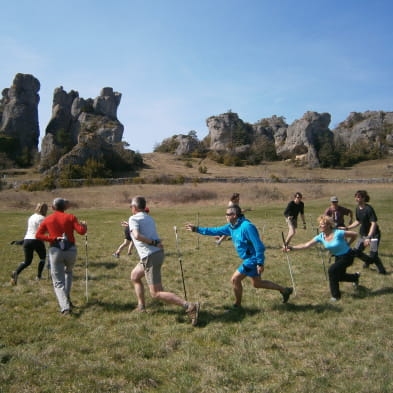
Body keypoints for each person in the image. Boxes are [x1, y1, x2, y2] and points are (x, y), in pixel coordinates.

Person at [186, 204, 293, 309]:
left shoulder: (247, 227)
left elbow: (259, 246)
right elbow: (214, 230)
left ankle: (237, 305)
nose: (226, 216)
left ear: (235, 215)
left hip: (252, 259)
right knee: (257, 283)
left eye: (227, 214)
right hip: (248, 258)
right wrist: (196, 229)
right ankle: (284, 290)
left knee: (235, 279)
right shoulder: (231, 227)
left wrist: (260, 262)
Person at [128, 196, 199, 326]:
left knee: (156, 293)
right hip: (155, 254)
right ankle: (141, 307)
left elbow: (137, 236)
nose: (130, 209)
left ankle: (189, 306)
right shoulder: (149, 218)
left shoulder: (133, 218)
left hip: (150, 255)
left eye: (130, 206)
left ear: (134, 207)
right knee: (134, 276)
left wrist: (154, 242)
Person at [284, 215, 359, 301]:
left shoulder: (338, 233)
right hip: (338, 257)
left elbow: (355, 234)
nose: (320, 226)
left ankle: (335, 296)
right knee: (338, 276)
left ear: (328, 225)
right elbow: (306, 245)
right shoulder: (321, 236)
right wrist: (291, 248)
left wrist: (348, 244)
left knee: (332, 270)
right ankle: (355, 277)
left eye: (322, 224)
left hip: (348, 256)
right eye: (319, 224)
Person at [36, 198, 87, 315]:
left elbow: (38, 235)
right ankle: (67, 298)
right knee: (68, 273)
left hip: (55, 250)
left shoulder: (48, 219)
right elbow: (81, 231)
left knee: (58, 281)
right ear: (65, 207)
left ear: (53, 208)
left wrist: (52, 238)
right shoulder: (71, 217)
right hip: (71, 250)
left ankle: (65, 307)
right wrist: (84, 226)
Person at [343, 190, 386, 274]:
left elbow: (373, 224)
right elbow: (358, 221)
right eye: (356, 197)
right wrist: (347, 227)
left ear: (363, 198)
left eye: (358, 197)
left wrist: (369, 237)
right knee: (356, 251)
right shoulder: (357, 208)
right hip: (363, 234)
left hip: (374, 235)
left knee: (373, 254)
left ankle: (382, 271)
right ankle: (368, 261)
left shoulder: (368, 209)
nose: (356, 198)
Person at [10, 203, 48, 285]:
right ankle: (39, 276)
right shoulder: (43, 218)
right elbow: (45, 230)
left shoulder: (31, 217)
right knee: (42, 258)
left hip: (27, 240)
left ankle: (16, 272)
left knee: (27, 261)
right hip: (37, 240)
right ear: (45, 210)